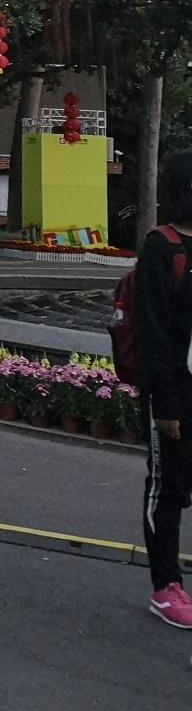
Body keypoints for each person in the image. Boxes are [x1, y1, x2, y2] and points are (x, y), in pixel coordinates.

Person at [132, 150, 192, 630]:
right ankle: (166, 585)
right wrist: (165, 405)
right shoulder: (161, 248)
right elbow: (152, 332)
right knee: (167, 487)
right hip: (172, 394)